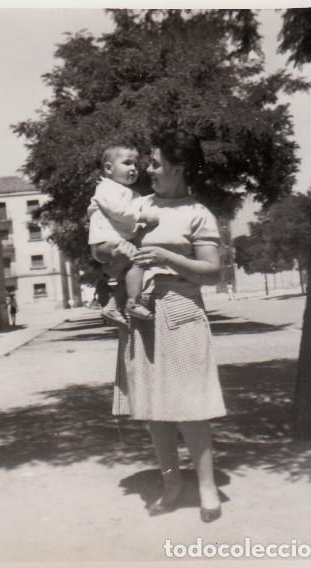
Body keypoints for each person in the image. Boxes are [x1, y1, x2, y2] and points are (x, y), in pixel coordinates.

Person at [105, 130, 226, 523]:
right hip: (142, 314)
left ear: (178, 166)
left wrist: (166, 257)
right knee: (154, 409)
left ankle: (207, 487)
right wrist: (118, 257)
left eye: (156, 164)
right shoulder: (138, 207)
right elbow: (114, 262)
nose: (149, 170)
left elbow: (212, 272)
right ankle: (171, 485)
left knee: (192, 408)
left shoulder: (198, 213)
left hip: (182, 311)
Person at [88, 143, 173, 324]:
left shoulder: (131, 193)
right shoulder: (106, 188)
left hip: (115, 242)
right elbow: (118, 211)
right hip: (105, 241)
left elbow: (135, 210)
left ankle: (114, 306)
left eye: (135, 164)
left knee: (132, 272)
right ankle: (132, 302)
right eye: (127, 163)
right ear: (109, 168)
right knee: (137, 260)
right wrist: (143, 217)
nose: (133, 168)